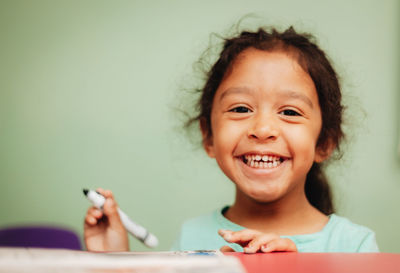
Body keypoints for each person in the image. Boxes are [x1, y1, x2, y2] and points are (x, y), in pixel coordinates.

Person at [84, 26, 379, 253]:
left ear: (325, 142)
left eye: (289, 111)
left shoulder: (354, 246)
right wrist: (114, 264)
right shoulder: (192, 237)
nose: (263, 129)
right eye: (240, 108)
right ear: (209, 136)